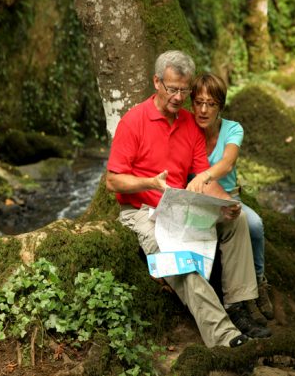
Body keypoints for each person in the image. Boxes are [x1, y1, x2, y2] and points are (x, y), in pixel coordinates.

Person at [106, 50, 271, 348]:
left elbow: (203, 176)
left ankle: (238, 306)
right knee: (176, 260)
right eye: (172, 89)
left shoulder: (189, 124)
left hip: (179, 207)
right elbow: (113, 180)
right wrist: (149, 182)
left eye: (184, 90)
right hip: (141, 211)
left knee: (239, 220)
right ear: (157, 82)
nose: (179, 97)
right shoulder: (134, 121)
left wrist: (225, 205)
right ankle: (224, 336)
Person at [187, 73, 274, 325]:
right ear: (191, 103)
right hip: (196, 200)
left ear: (220, 107)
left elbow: (226, 163)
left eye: (211, 104)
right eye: (199, 102)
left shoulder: (232, 128)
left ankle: (258, 283)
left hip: (227, 198)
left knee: (254, 224)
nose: (204, 110)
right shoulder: (186, 128)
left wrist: (202, 177)